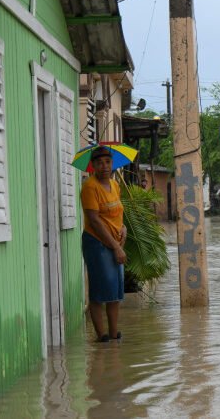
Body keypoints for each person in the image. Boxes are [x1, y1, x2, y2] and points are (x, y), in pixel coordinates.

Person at [80, 146, 127, 343]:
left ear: (112, 163)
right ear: (93, 166)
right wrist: (115, 247)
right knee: (100, 291)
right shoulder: (90, 187)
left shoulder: (115, 185)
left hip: (115, 240)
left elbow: (117, 211)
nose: (104, 166)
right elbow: (95, 220)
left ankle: (114, 333)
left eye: (107, 162)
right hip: (98, 243)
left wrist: (123, 228)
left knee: (115, 290)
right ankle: (102, 335)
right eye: (99, 163)